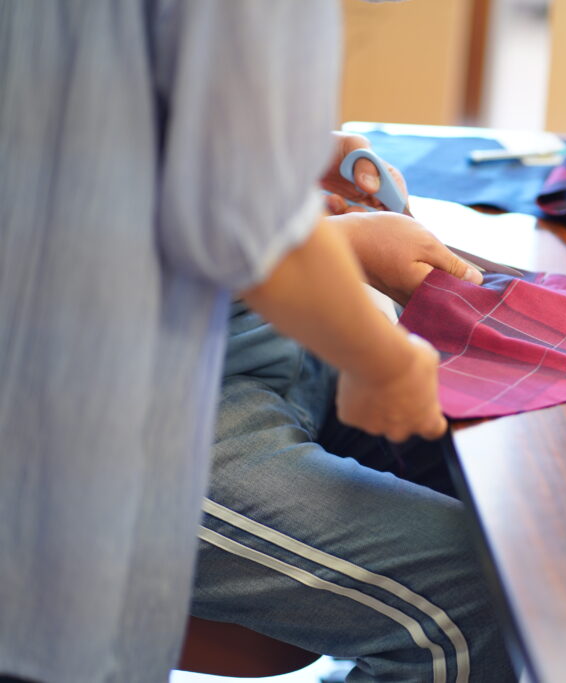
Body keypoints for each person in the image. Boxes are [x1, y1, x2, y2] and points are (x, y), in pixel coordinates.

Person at [0, 3, 442, 681]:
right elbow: (235, 224)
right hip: (103, 400)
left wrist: (283, 155)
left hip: (208, 345)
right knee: (468, 605)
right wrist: (380, 356)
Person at [188, 133, 517, 682]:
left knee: (504, 483)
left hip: (248, 342)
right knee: (470, 601)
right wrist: (321, 247)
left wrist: (262, 167)